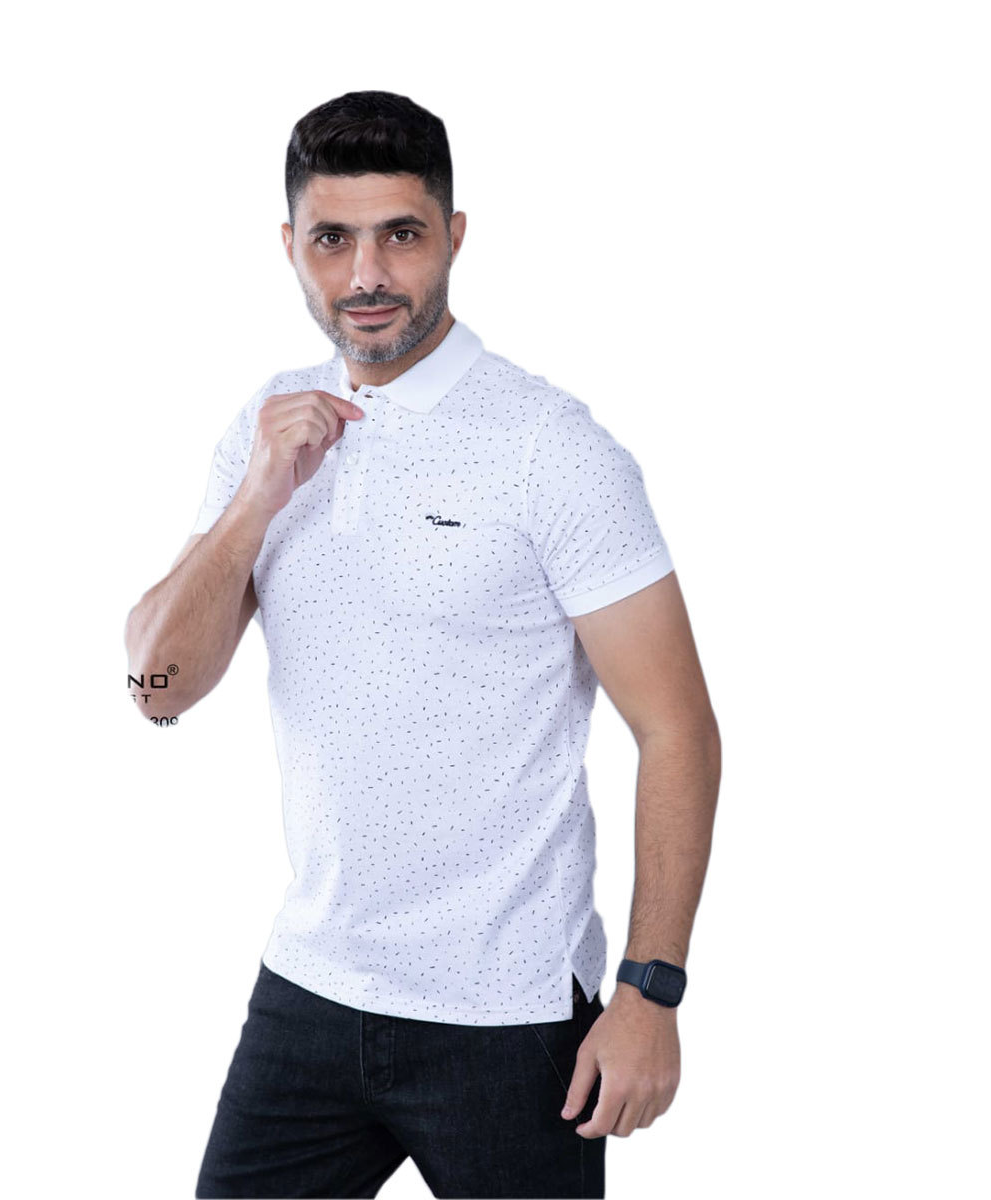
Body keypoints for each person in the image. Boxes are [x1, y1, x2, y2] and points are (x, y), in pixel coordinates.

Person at [124, 90, 721, 1199]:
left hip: (509, 1017)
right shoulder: (268, 423)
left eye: (400, 234)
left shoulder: (550, 450)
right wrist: (257, 498)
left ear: (453, 235)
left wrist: (651, 992)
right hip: (311, 990)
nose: (366, 275)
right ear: (290, 247)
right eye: (332, 240)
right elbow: (157, 686)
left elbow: (677, 727)